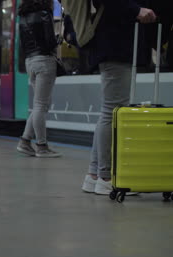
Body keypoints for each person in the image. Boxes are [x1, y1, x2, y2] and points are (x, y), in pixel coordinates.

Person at [81, 0, 157, 195]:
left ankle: (94, 175)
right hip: (116, 44)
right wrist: (137, 10)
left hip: (112, 44)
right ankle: (107, 178)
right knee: (113, 110)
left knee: (108, 110)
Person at [16, 0, 62, 158]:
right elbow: (49, 40)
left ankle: (25, 141)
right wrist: (58, 40)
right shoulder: (44, 13)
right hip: (44, 61)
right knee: (41, 105)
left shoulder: (22, 16)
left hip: (30, 61)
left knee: (40, 105)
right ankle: (42, 147)